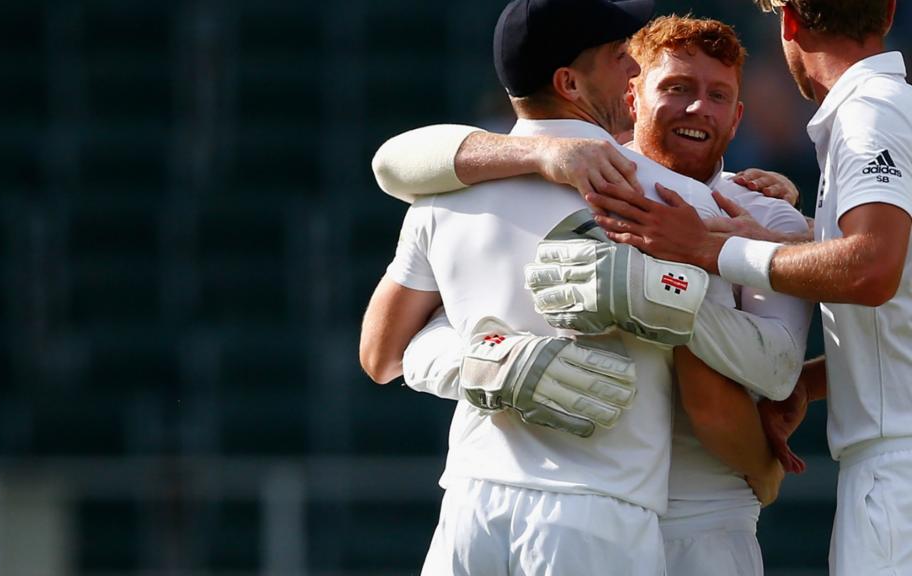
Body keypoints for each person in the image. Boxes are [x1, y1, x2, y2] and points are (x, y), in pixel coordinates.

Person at [360, 2, 798, 574]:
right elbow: (727, 390)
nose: (632, 73)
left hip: (469, 504)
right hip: (597, 513)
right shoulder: (675, 205)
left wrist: (481, 357)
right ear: (569, 82)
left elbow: (381, 354)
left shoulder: (442, 196)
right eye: (622, 61)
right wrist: (762, 466)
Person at [559, 2, 912, 575]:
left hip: (891, 469)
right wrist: (813, 380)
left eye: (718, 94)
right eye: (675, 86)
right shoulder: (878, 114)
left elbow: (871, 269)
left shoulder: (872, 113)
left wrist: (709, 251)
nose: (698, 106)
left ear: (789, 21)